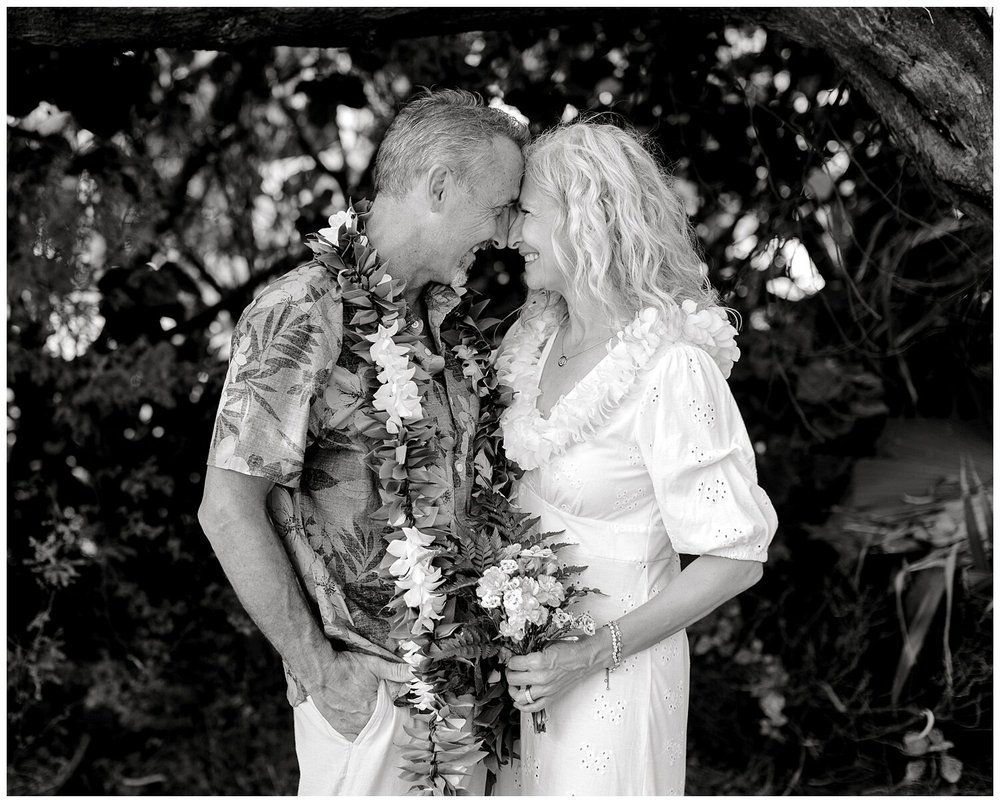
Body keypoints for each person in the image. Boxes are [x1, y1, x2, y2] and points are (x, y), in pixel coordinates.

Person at [197, 89, 527, 796]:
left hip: (476, 699)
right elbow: (226, 508)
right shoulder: (300, 310)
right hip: (374, 701)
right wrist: (318, 666)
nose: (503, 234)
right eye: (499, 207)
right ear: (438, 185)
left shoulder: (452, 327)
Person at [494, 121, 778, 795]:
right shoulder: (528, 343)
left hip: (614, 681)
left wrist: (592, 651)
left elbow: (735, 557)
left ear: (584, 217)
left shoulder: (671, 367)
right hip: (520, 681)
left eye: (527, 213)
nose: (509, 237)